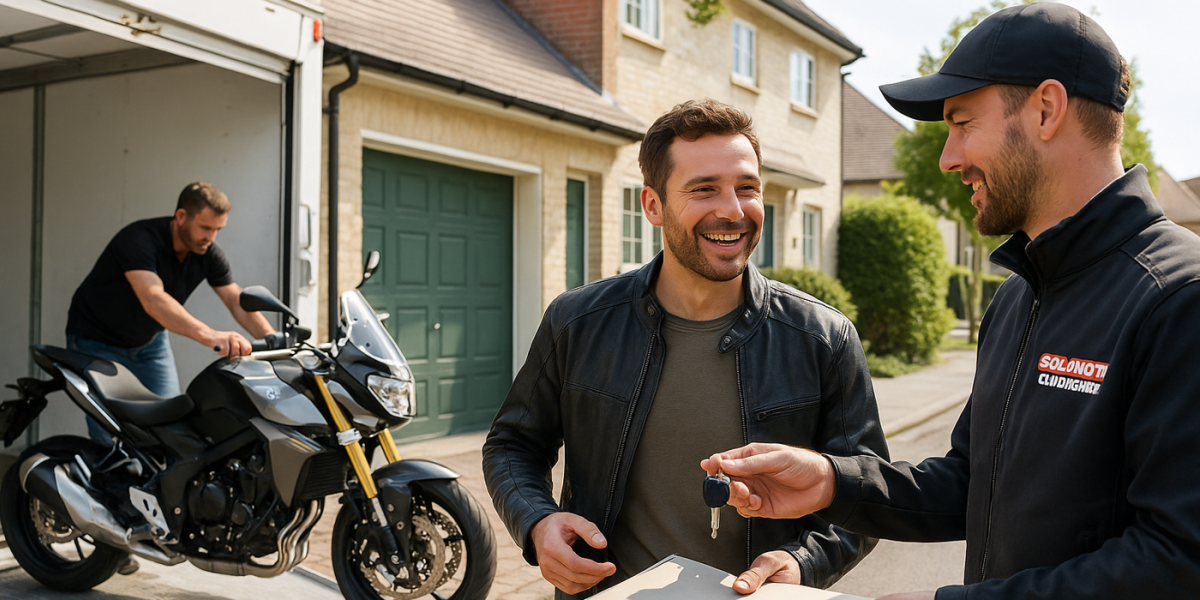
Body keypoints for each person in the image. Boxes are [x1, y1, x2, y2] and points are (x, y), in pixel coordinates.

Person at [704, 5, 1200, 600]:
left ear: (1047, 109)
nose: (948, 158)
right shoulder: (1018, 296)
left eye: (963, 124)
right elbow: (971, 481)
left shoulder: (1179, 298)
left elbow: (1177, 560)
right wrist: (833, 482)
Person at [482, 100, 888, 599]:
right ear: (652, 205)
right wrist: (538, 522)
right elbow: (513, 445)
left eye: (747, 188)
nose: (733, 210)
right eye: (704, 189)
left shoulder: (823, 336)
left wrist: (804, 561)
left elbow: (866, 490)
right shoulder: (577, 322)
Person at [68, 181, 276, 436]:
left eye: (217, 230)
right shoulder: (138, 239)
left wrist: (273, 339)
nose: (211, 238)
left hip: (150, 344)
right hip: (96, 342)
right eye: (205, 228)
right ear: (181, 216)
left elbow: (235, 299)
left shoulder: (208, 253)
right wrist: (211, 336)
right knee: (109, 435)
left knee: (171, 429)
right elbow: (153, 299)